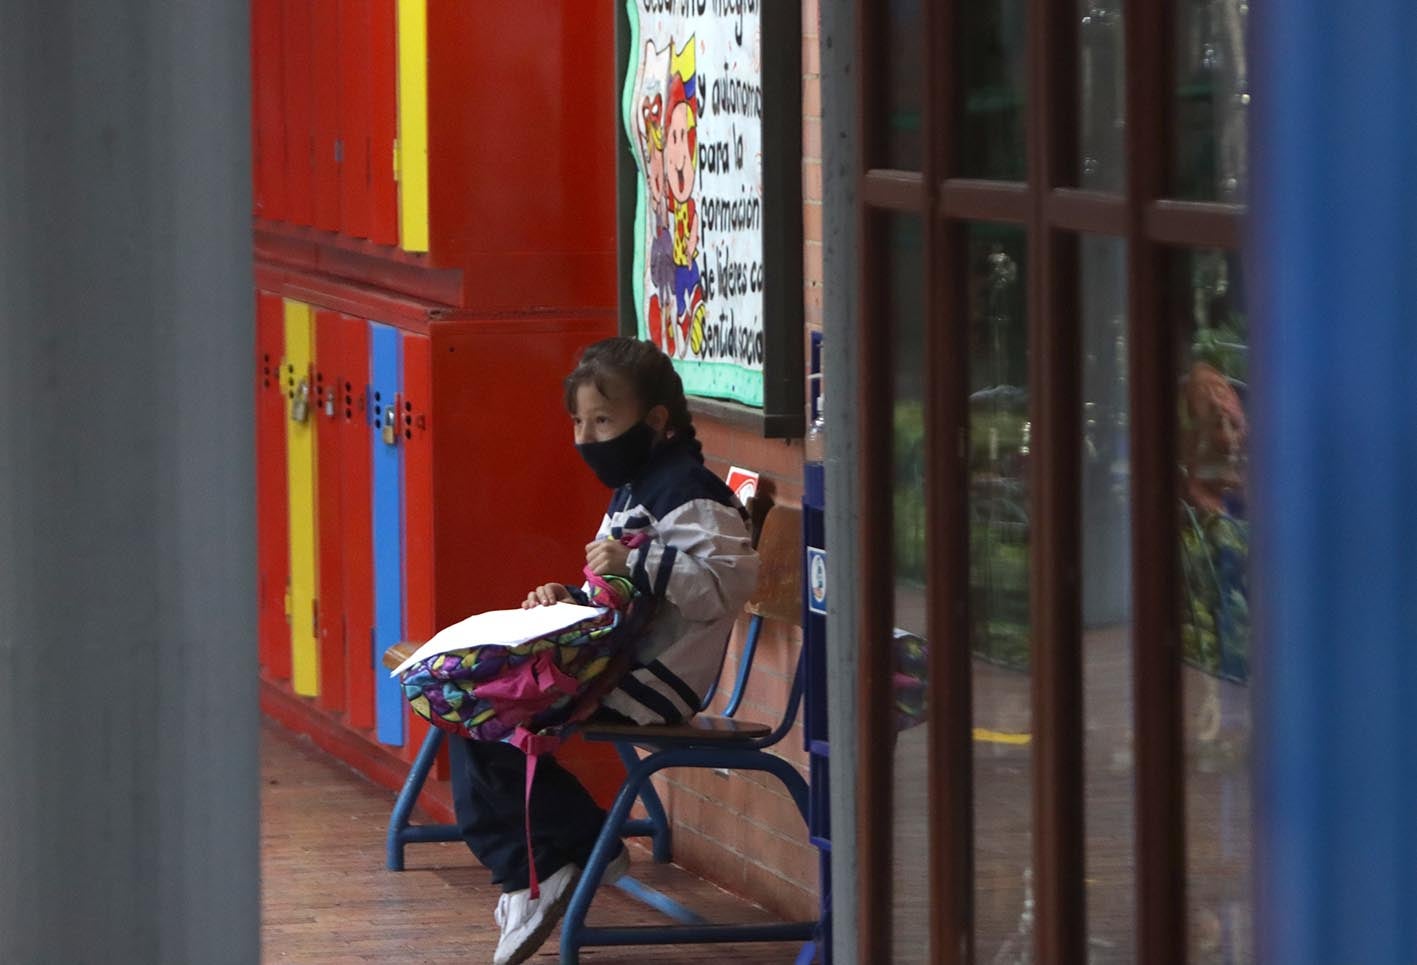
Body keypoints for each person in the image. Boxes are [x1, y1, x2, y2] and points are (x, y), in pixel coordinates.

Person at [449, 336, 759, 965]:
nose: (587, 436)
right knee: (469, 699)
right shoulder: (637, 485)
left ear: (655, 421)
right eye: (579, 422)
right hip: (618, 661)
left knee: (488, 711)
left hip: (655, 680)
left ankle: (553, 862)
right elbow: (615, 590)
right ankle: (553, 861)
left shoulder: (691, 493)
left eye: (603, 420)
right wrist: (566, 595)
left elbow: (725, 590)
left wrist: (641, 558)